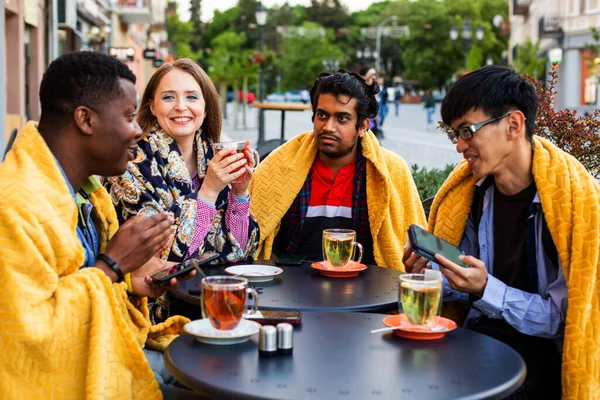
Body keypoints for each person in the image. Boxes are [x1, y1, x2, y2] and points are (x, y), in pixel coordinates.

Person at [0, 51, 195, 398]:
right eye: (129, 116)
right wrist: (113, 264)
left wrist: (131, 282)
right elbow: (26, 336)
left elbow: (78, 283)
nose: (138, 130)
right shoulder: (15, 203)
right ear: (85, 120)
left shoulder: (83, 191)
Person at [403, 65, 600, 398]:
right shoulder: (473, 193)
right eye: (455, 134)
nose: (460, 147)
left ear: (513, 124)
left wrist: (486, 290)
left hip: (543, 358)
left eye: (467, 131)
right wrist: (435, 273)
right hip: (478, 339)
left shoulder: (576, 205)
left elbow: (565, 318)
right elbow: (466, 282)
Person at [105, 58, 260, 323]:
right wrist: (209, 191)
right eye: (168, 97)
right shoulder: (131, 164)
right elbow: (162, 264)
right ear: (152, 106)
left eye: (191, 97)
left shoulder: (212, 157)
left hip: (216, 303)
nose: (181, 106)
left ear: (206, 107)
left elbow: (241, 252)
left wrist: (239, 192)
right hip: (158, 314)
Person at [250, 69, 426, 269]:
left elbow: (415, 251)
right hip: (289, 290)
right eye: (322, 115)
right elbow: (255, 240)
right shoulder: (279, 165)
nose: (328, 127)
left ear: (362, 127)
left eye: (342, 118)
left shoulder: (393, 170)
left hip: (369, 293)